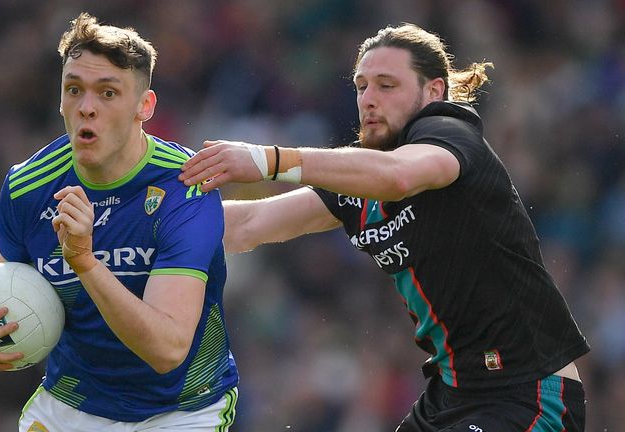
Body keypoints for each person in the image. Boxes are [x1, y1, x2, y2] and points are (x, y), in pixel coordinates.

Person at [180, 23, 589, 431]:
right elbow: (248, 224)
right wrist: (149, 218)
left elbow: (398, 176)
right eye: (361, 86)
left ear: (434, 91)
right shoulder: (360, 177)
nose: (369, 99)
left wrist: (268, 160)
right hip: (452, 394)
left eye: (387, 85)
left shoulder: (450, 134)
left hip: (527, 392)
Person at [0, 12, 238, 431]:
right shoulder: (26, 187)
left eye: (108, 93)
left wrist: (84, 261)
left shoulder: (186, 184)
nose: (87, 108)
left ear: (144, 106)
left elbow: (167, 350)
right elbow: (9, 297)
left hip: (182, 409)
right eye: (74, 90)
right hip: (71, 404)